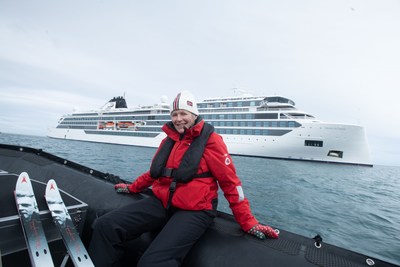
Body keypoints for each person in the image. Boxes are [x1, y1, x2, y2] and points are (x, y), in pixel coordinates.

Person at [89, 91, 278, 267]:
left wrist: (248, 222)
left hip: (195, 210)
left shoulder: (212, 141)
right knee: (106, 225)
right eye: (174, 114)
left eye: (183, 114)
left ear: (194, 114)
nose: (178, 119)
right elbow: (154, 173)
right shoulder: (168, 140)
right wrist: (132, 188)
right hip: (163, 202)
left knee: (153, 262)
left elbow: (231, 184)